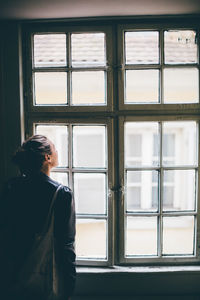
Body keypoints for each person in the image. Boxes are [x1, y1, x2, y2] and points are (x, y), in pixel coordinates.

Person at [0, 135, 76, 300]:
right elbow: (66, 243)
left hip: (11, 277)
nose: (57, 151)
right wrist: (69, 283)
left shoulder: (11, 187)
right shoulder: (61, 194)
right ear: (47, 157)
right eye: (54, 147)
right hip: (44, 279)